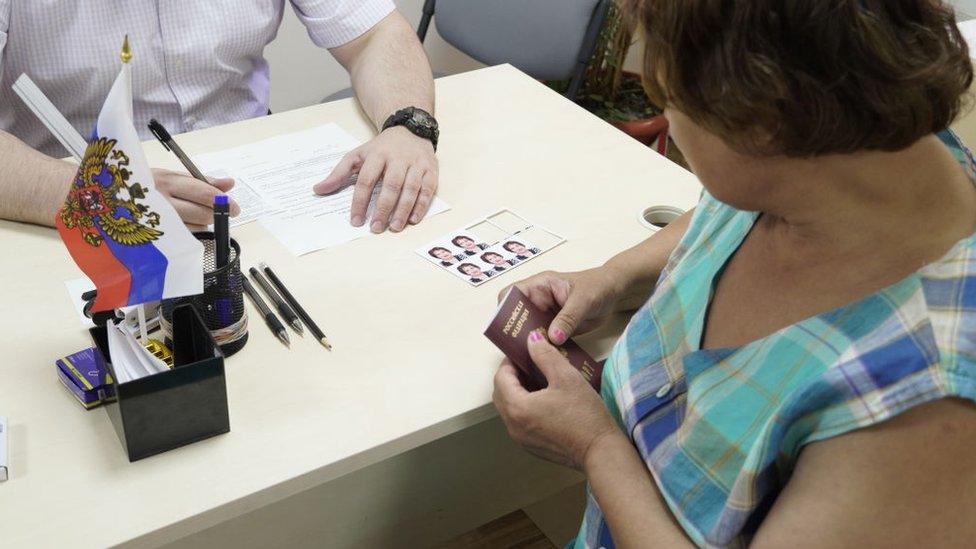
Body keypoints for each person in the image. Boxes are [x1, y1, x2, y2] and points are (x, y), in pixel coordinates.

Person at [492, 1, 976, 547]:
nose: (667, 121)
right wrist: (615, 276)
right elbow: (732, 207)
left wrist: (595, 447)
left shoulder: (930, 408)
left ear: (759, 122)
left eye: (667, 99)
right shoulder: (854, 151)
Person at [0, 1, 437, 234]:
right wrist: (95, 194)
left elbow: (374, 34)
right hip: (69, 203)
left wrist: (409, 125)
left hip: (254, 194)